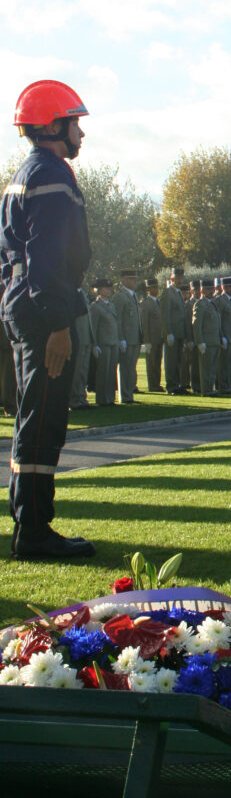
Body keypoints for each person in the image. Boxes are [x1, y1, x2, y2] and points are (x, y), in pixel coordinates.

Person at [0, 78, 95, 559]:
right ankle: (33, 532)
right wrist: (58, 323)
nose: (81, 132)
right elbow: (47, 258)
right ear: (54, 124)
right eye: (76, 122)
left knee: (33, 417)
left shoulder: (28, 171)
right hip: (43, 313)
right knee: (42, 421)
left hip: (25, 305)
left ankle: (31, 524)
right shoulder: (52, 175)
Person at [112, 268, 142, 403]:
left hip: (135, 337)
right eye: (131, 279)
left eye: (135, 278)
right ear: (123, 280)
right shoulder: (120, 296)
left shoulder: (134, 296)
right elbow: (118, 319)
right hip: (127, 338)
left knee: (132, 368)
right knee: (125, 368)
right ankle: (125, 396)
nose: (135, 281)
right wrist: (121, 338)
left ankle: (129, 393)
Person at [89, 278, 120, 405]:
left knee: (112, 371)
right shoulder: (95, 307)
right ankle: (102, 399)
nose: (109, 290)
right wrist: (94, 345)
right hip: (103, 343)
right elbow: (93, 327)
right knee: (103, 371)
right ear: (99, 290)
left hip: (113, 342)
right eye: (106, 288)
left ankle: (110, 398)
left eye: (109, 288)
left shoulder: (111, 304)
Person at [160, 267, 189, 394]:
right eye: (177, 278)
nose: (180, 281)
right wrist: (168, 332)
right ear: (171, 279)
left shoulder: (177, 293)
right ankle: (171, 386)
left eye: (181, 278)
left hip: (179, 332)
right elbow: (165, 315)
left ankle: (176, 384)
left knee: (178, 360)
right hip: (172, 333)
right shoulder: (168, 293)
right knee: (171, 361)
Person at [192, 278, 221, 395]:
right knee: (205, 368)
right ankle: (206, 390)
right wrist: (200, 342)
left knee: (213, 368)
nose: (211, 291)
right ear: (202, 290)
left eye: (212, 289)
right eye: (208, 289)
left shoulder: (213, 304)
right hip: (206, 342)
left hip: (215, 341)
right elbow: (196, 324)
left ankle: (210, 388)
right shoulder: (200, 304)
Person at [69, 284, 94, 410]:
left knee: (83, 371)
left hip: (86, 338)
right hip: (78, 338)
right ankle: (74, 400)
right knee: (77, 371)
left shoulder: (82, 293)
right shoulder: (71, 291)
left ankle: (82, 398)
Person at [140, 276, 164, 391]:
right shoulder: (146, 303)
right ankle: (152, 385)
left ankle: (157, 384)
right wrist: (147, 341)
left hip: (159, 337)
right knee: (152, 363)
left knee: (158, 362)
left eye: (157, 287)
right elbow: (145, 323)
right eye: (153, 288)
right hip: (152, 338)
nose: (156, 290)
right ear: (148, 289)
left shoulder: (158, 302)